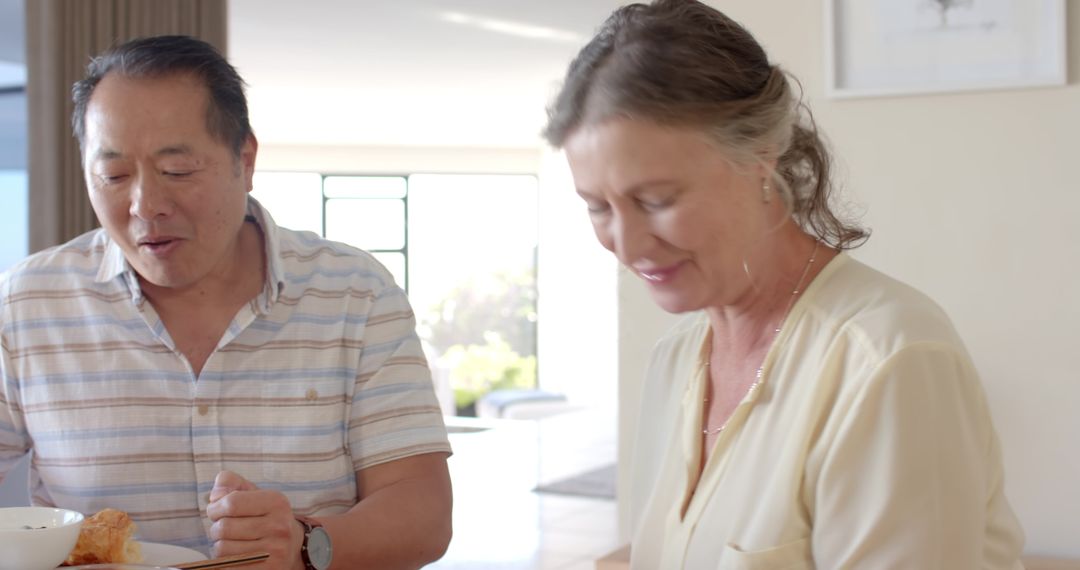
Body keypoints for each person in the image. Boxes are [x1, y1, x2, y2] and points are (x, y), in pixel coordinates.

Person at [543, 1, 1025, 568]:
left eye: (656, 200)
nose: (626, 246)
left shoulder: (886, 359)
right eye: (598, 207)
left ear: (759, 158)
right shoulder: (673, 362)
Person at [0, 35, 452, 569]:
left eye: (177, 171)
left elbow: (424, 514)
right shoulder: (27, 305)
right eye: (114, 176)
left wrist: (306, 545)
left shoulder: (355, 291)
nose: (146, 205)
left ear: (245, 158)